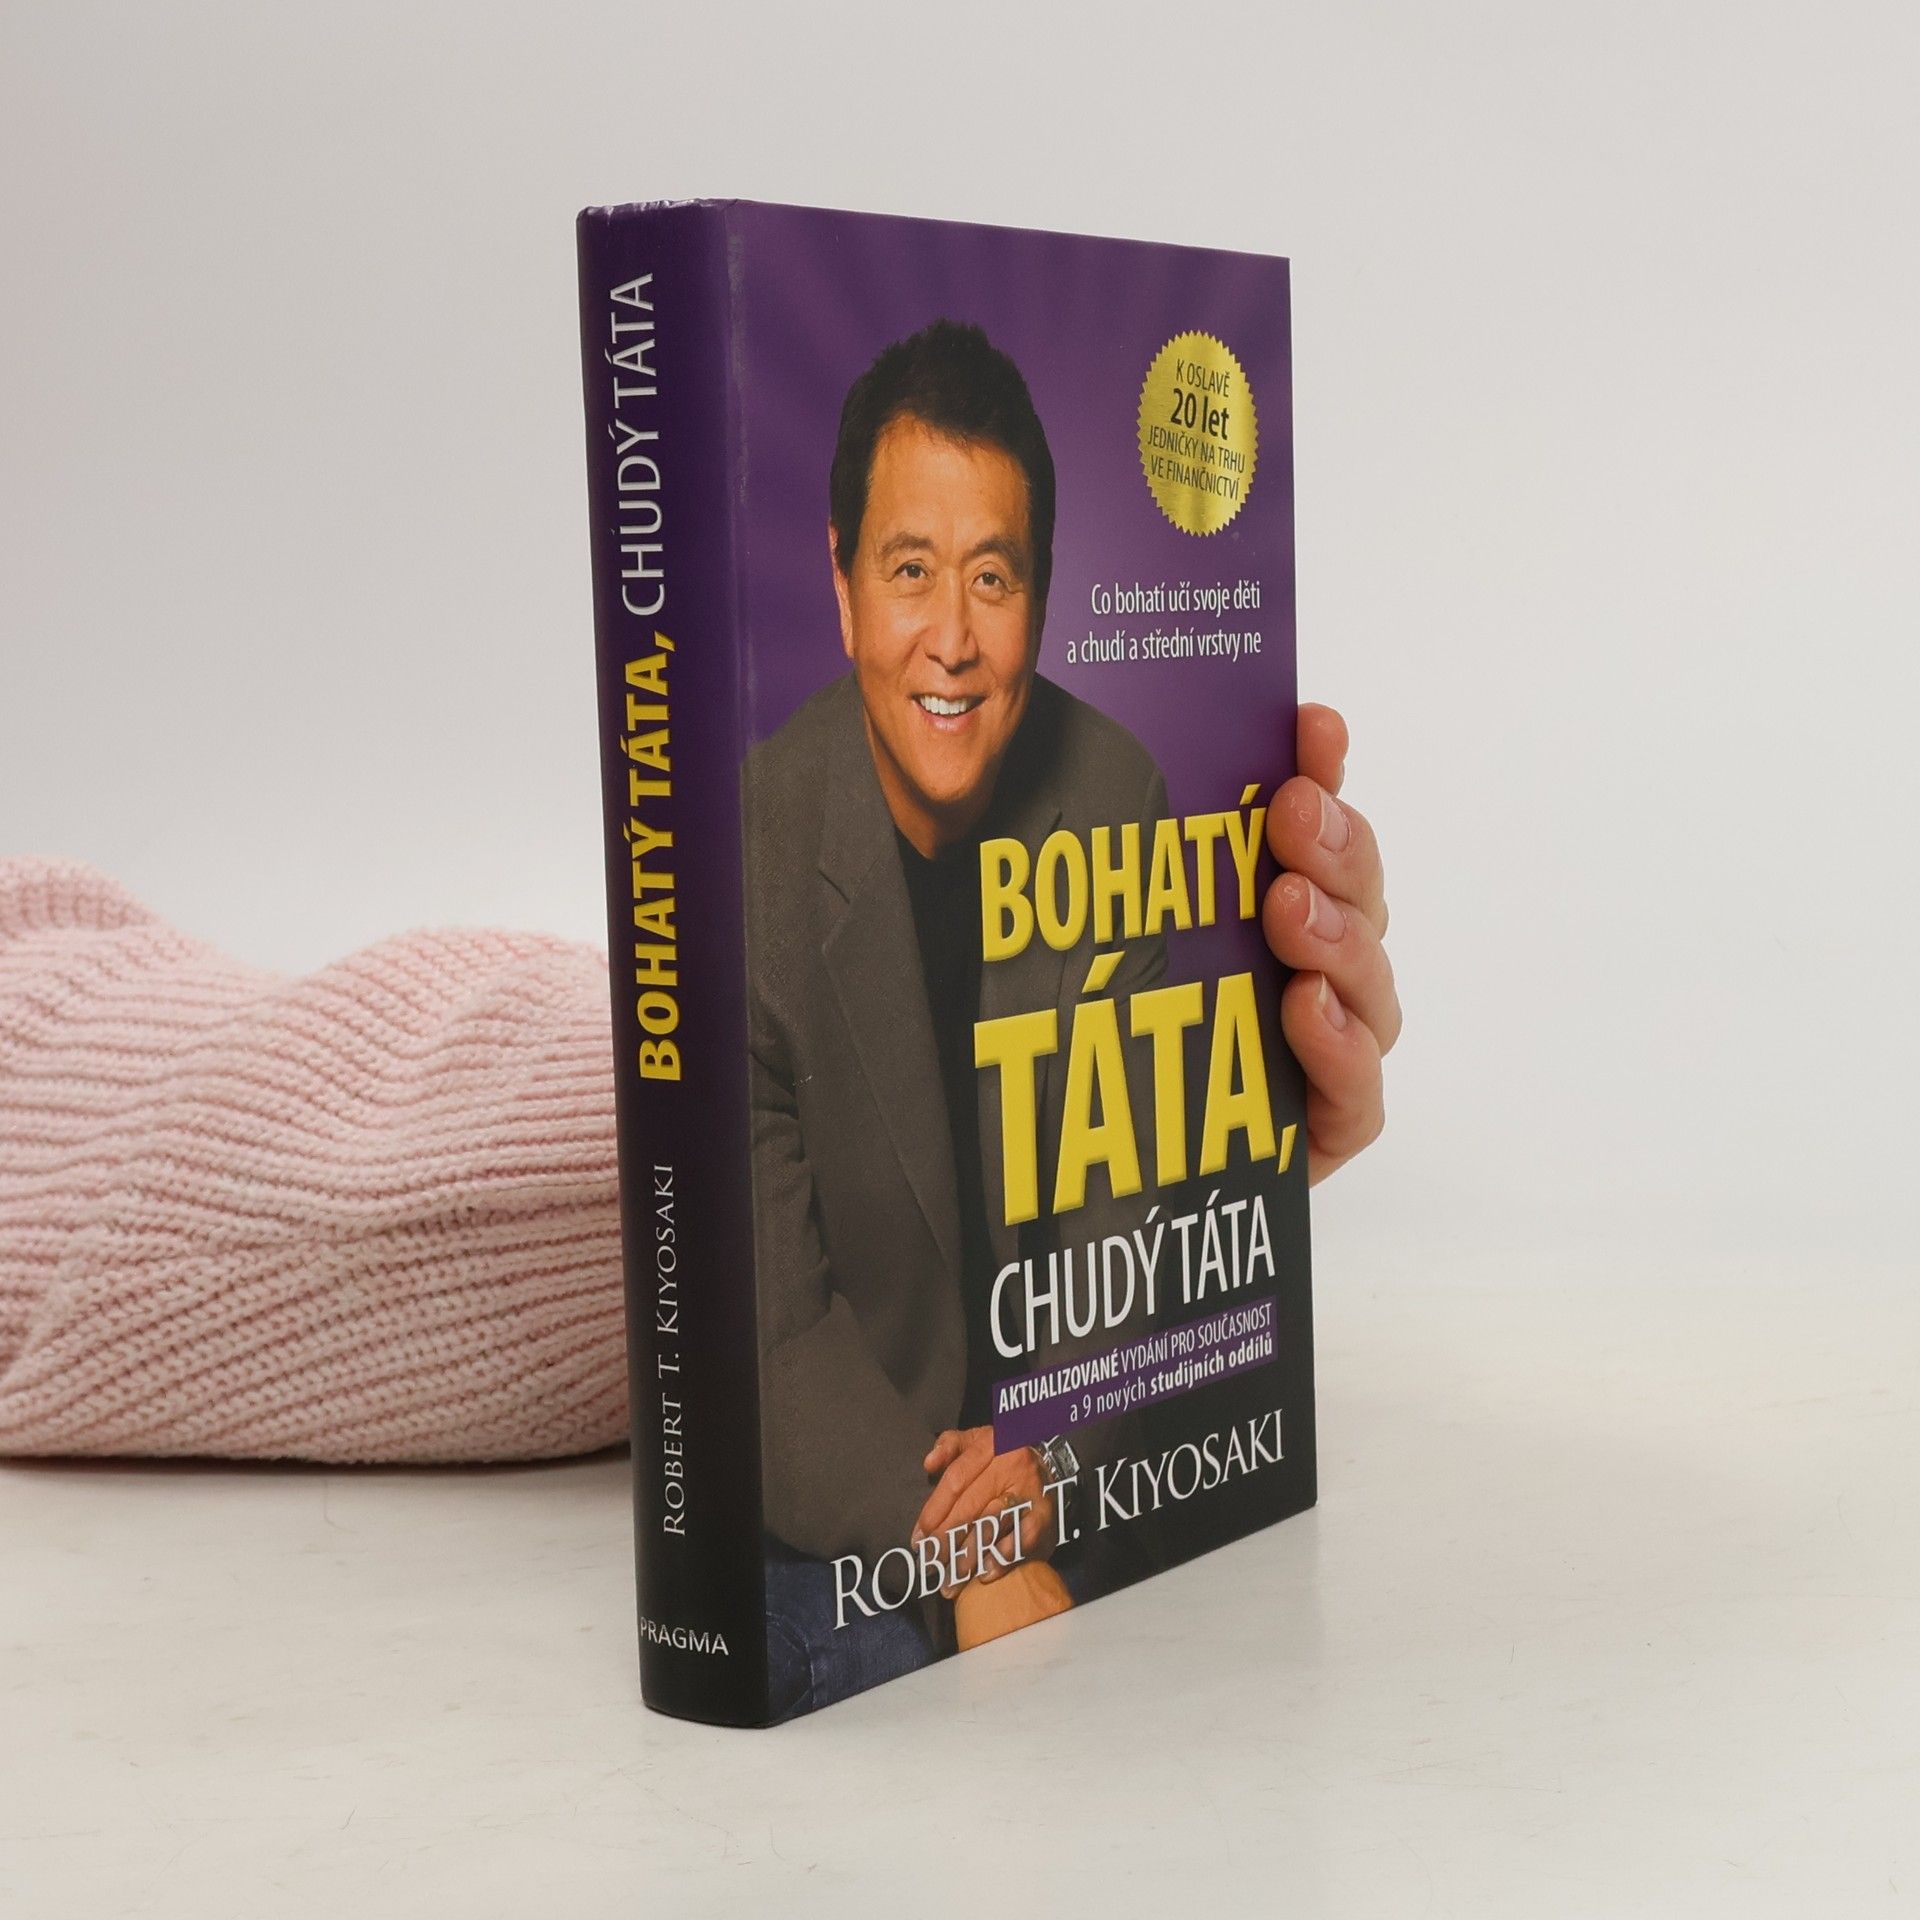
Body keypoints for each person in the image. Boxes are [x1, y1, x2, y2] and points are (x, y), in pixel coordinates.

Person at [741, 323, 1400, 1716]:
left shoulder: (1110, 792)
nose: (953, 638)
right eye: (909, 571)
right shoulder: (752, 846)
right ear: (842, 585)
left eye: (993, 577)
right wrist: (966, 1553)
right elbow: (772, 1331)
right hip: (866, 1498)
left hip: (1082, 1473)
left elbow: (1133, 1211)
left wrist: (1054, 1454)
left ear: (1040, 603)